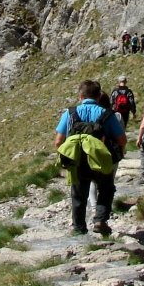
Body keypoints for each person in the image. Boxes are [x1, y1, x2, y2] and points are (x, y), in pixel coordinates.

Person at [55, 79, 126, 236]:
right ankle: (100, 219)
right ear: (99, 96)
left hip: (77, 159)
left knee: (78, 193)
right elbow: (122, 140)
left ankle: (79, 228)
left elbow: (58, 141)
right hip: (99, 159)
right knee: (106, 189)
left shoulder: (70, 113)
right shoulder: (107, 114)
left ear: (80, 96)